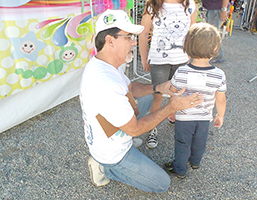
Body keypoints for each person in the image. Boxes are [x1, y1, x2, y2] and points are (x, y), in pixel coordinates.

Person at [79, 9, 203, 193]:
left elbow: (131, 88)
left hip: (107, 134)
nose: (134, 41)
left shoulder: (104, 64)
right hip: (112, 154)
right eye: (128, 37)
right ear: (110, 41)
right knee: (161, 184)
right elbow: (135, 128)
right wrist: (172, 107)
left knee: (148, 97)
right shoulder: (105, 82)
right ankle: (105, 167)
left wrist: (158, 87)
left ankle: (122, 144)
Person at [163, 22, 227, 178]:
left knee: (182, 143)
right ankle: (195, 161)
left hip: (184, 117)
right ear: (215, 49)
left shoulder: (181, 71)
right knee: (200, 142)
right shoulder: (219, 75)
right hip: (204, 117)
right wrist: (220, 115)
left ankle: (180, 169)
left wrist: (171, 110)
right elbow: (221, 99)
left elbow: (174, 93)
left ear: (188, 47)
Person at [139, 0, 197, 149]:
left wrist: (192, 56)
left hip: (182, 61)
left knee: (177, 94)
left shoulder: (190, 4)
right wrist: (144, 58)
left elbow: (193, 32)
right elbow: (143, 33)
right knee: (157, 96)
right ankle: (153, 128)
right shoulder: (152, 4)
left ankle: (174, 117)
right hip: (159, 62)